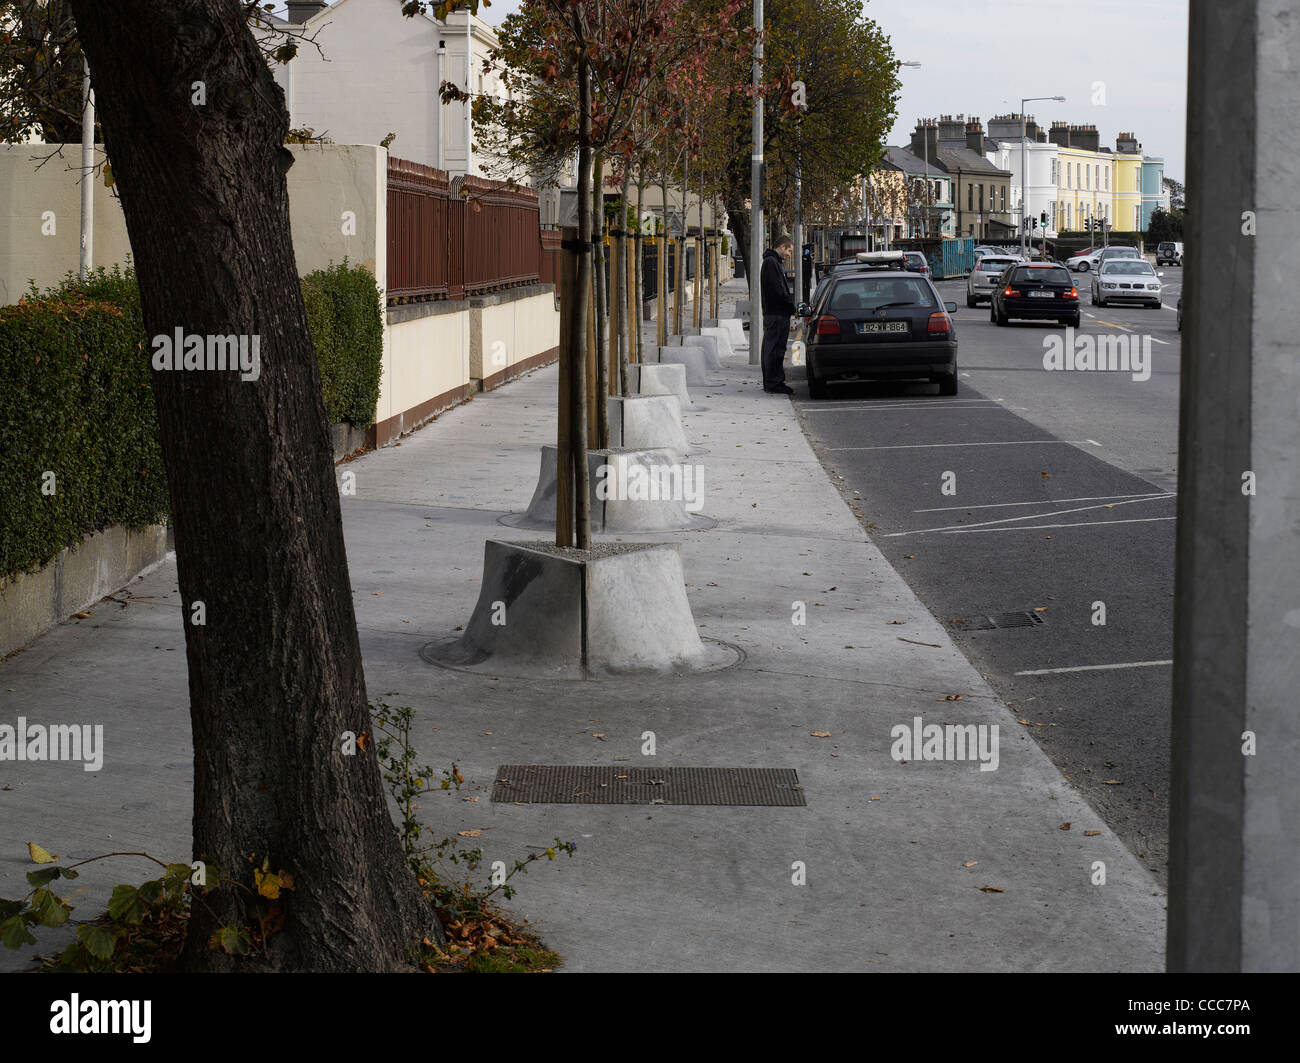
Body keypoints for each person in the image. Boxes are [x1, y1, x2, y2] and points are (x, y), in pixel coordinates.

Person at [760, 236, 796, 394]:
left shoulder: (772, 262)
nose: (789, 254)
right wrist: (791, 305)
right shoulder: (772, 263)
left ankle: (773, 381)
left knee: (774, 348)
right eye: (789, 250)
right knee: (775, 349)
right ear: (782, 246)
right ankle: (774, 383)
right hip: (777, 313)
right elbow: (779, 290)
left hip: (775, 313)